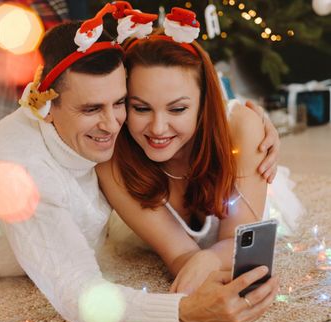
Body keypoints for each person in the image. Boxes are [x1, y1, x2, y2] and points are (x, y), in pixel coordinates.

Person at [0, 4, 280, 322]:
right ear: (46, 107)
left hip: (10, 168)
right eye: (91, 110)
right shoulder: (24, 174)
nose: (112, 124)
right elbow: (79, 294)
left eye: (122, 103)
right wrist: (185, 313)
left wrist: (255, 120)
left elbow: (189, 104)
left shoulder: (122, 122)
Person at [96, 7, 299, 297]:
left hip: (245, 186)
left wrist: (209, 258)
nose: (158, 127)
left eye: (177, 109)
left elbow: (242, 247)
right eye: (140, 108)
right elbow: (179, 256)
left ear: (205, 104)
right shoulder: (113, 159)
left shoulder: (242, 131)